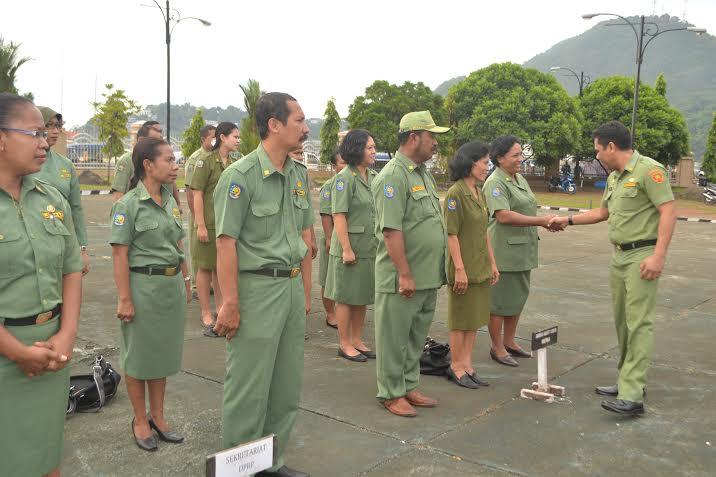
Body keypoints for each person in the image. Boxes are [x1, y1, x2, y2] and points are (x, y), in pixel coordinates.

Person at [213, 92, 313, 477]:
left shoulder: (299, 174)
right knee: (249, 387)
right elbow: (226, 243)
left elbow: (303, 240)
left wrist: (304, 292)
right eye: (299, 121)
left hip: (288, 288)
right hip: (256, 290)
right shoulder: (239, 177)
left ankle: (272, 462)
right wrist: (231, 303)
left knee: (285, 386)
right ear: (274, 125)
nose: (305, 128)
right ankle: (238, 468)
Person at [549, 121, 676, 415]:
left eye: (597, 150)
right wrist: (565, 221)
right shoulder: (615, 178)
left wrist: (658, 256)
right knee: (622, 321)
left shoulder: (648, 170)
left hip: (642, 254)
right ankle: (627, 380)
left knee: (639, 323)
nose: (596, 156)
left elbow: (668, 210)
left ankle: (633, 395)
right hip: (619, 256)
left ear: (610, 146)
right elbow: (602, 213)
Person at [0, 93, 83, 477]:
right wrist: (16, 351)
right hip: (5, 356)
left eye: (44, 133)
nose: (44, 142)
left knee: (48, 458)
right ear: (1, 138)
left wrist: (66, 334)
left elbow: (70, 270)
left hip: (51, 352)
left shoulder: (52, 199)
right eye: (33, 133)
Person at [110, 137, 190, 451]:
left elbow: (177, 246)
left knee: (162, 356)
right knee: (139, 358)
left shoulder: (170, 200)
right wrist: (125, 298)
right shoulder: (127, 204)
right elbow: (119, 255)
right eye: (169, 160)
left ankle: (158, 415)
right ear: (148, 165)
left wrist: (186, 279)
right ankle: (140, 419)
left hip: (170, 288)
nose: (175, 165)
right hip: (142, 289)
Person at [372, 110, 449, 418]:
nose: (435, 144)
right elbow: (391, 230)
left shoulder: (422, 173)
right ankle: (391, 392)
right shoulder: (392, 175)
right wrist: (404, 274)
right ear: (414, 137)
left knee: (416, 336)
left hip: (427, 275)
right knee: (394, 338)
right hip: (402, 277)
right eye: (432, 137)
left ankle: (408, 384)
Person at [483, 135, 557, 367]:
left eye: (520, 154)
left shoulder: (518, 179)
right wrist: (541, 221)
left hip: (523, 251)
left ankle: (510, 342)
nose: (520, 159)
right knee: (499, 303)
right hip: (504, 252)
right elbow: (503, 215)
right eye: (515, 155)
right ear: (499, 158)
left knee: (516, 299)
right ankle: (496, 347)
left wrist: (540, 222)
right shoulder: (495, 183)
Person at [443, 142, 499, 388]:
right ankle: (456, 366)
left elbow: (484, 231)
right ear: (470, 162)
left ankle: (468, 365)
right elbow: (451, 234)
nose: (488, 167)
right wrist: (459, 269)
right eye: (485, 162)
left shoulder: (479, 191)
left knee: (475, 318)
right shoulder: (456, 194)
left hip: (480, 266)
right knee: (460, 319)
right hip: (463, 266)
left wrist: (493, 263)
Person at [326, 129, 378, 362]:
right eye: (370, 148)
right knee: (346, 297)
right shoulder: (344, 179)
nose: (374, 152)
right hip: (350, 248)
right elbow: (339, 215)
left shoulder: (373, 177)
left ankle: (357, 339)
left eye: (374, 147)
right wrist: (346, 249)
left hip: (368, 247)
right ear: (357, 149)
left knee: (362, 295)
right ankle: (345, 343)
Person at [30, 107, 90, 275]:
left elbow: (76, 208)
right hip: (32, 242)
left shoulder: (65, 165)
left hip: (63, 241)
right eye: (49, 126)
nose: (55, 131)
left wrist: (82, 248)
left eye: (58, 126)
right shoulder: (24, 163)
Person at [190, 122, 238, 336]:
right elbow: (197, 193)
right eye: (234, 136)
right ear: (222, 137)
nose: (238, 140)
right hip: (208, 223)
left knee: (221, 269)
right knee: (204, 268)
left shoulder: (236, 162)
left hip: (226, 225)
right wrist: (200, 224)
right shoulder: (206, 161)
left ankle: (220, 308)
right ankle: (205, 312)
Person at [112, 121, 182, 207]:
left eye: (160, 140)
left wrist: (177, 204)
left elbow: (172, 184)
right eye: (154, 141)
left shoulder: (162, 161)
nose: (159, 144)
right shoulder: (126, 161)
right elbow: (119, 194)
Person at [185, 124, 216, 294]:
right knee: (197, 250)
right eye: (212, 137)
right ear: (204, 139)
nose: (215, 140)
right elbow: (191, 191)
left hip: (211, 212)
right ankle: (197, 286)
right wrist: (198, 218)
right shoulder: (196, 158)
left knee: (210, 250)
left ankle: (210, 284)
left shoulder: (215, 156)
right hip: (198, 211)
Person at [318, 149, 346, 329]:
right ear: (334, 166)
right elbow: (326, 214)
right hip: (333, 236)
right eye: (341, 162)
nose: (345, 165)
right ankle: (330, 313)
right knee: (328, 278)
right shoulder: (329, 186)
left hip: (350, 238)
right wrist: (329, 238)